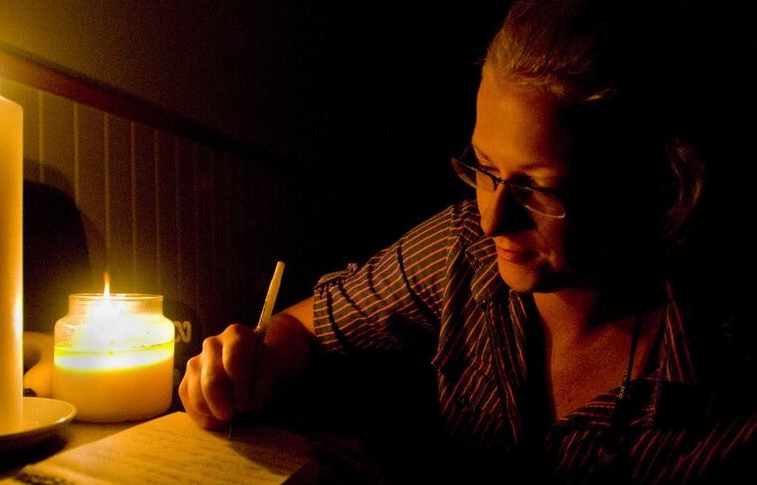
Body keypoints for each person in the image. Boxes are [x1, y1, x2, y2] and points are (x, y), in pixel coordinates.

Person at [179, 0, 756, 483]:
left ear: (656, 184)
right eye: (484, 167)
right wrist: (251, 364)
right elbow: (305, 326)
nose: (492, 221)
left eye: (538, 190)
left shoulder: (722, 384)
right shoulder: (463, 251)